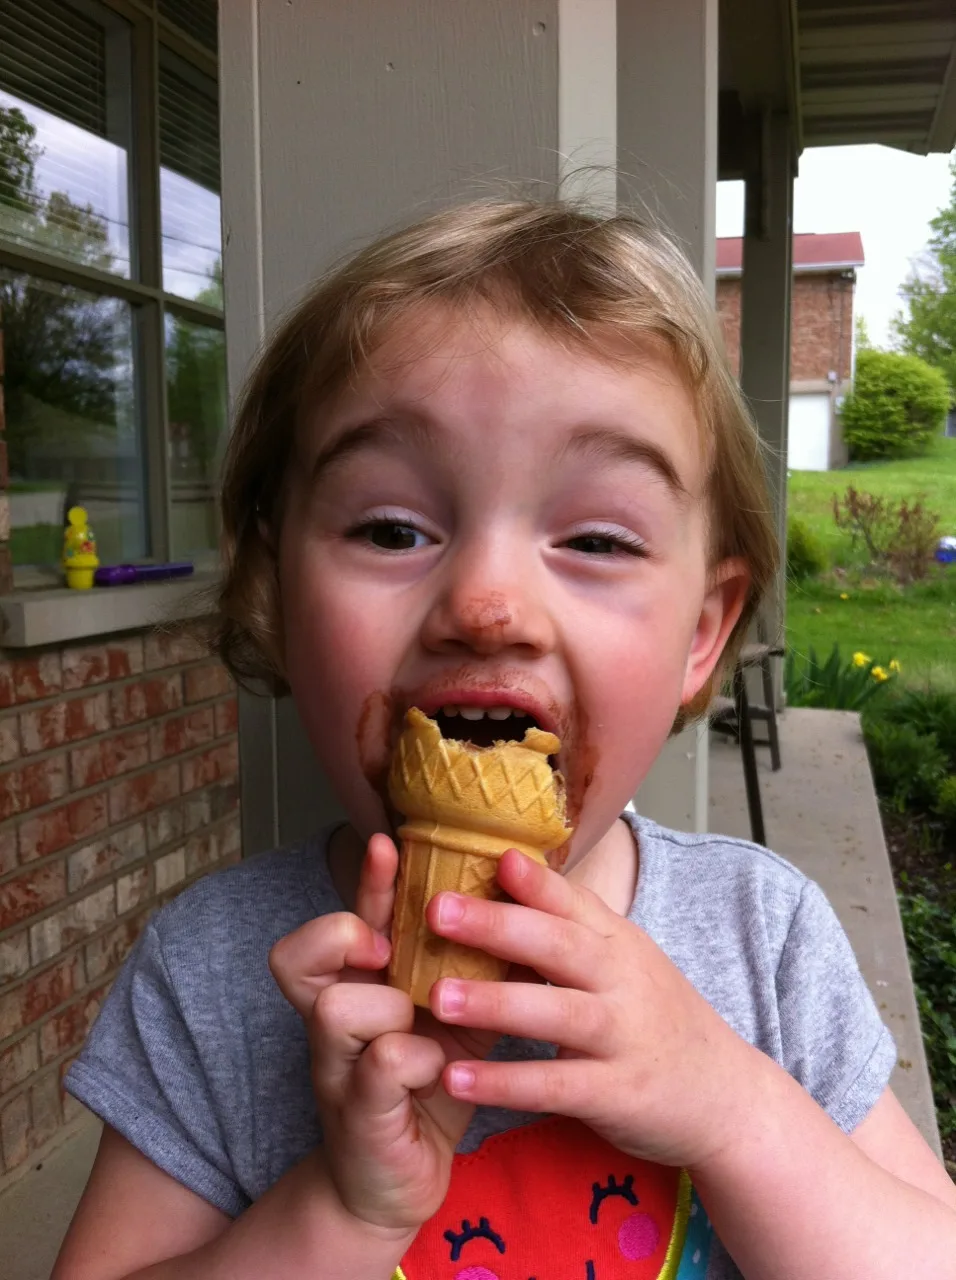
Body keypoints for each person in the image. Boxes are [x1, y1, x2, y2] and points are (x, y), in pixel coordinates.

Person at [53, 201, 956, 1280]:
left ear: (700, 633)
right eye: (393, 528)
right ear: (276, 598)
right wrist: (337, 1209)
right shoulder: (210, 973)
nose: (485, 603)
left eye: (593, 537)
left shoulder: (760, 941)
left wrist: (732, 1107)